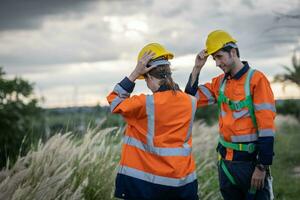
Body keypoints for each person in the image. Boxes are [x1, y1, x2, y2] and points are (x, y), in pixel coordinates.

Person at [185, 30, 275, 200]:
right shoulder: (219, 82)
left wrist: (262, 167)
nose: (217, 63)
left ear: (233, 52)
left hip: (251, 165)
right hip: (226, 165)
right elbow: (190, 99)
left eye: (219, 57)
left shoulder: (257, 80)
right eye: (214, 59)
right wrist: (197, 67)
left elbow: (267, 127)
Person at [107, 43, 199, 200]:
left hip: (146, 186)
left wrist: (135, 73)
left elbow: (114, 102)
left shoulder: (145, 104)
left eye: (144, 79)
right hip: (184, 184)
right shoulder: (190, 101)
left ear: (148, 76)